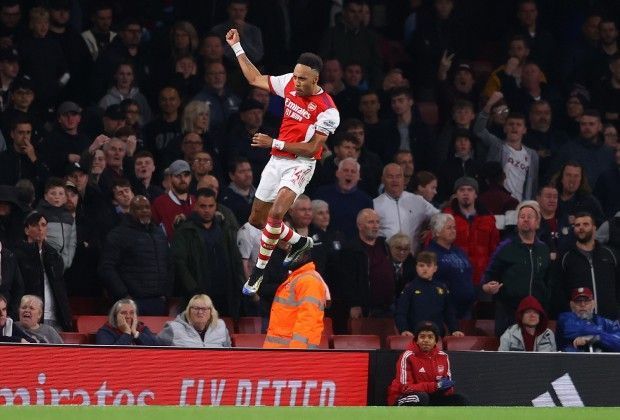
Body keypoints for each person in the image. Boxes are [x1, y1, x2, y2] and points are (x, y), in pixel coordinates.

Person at [225, 28, 340, 295]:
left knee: (277, 214)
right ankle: (299, 241)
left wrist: (273, 142)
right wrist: (237, 47)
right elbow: (254, 78)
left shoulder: (328, 110)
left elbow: (312, 149)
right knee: (257, 220)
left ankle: (257, 274)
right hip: (277, 160)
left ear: (316, 79)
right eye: (296, 76)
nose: (297, 82)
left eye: (303, 79)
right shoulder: (289, 82)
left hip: (300, 164)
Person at [481, 200, 551, 336]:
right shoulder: (505, 247)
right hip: (509, 312)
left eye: (529, 217)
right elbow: (488, 276)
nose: (525, 220)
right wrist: (487, 287)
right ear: (517, 222)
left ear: (537, 222)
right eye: (522, 216)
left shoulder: (544, 249)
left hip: (536, 312)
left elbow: (548, 280)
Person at [171, 188, 244, 317]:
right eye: (203, 206)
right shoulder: (185, 231)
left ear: (216, 206)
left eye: (211, 206)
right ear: (195, 206)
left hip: (225, 295)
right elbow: (180, 264)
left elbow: (235, 260)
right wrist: (193, 289)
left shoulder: (224, 228)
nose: (207, 210)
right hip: (197, 296)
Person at [98, 196, 173, 316]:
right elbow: (106, 268)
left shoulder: (159, 233)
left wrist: (166, 294)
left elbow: (169, 264)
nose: (144, 211)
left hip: (158, 302)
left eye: (147, 207)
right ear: (131, 211)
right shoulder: (118, 234)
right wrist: (124, 295)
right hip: (131, 303)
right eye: (139, 208)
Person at [474, 91, 539, 200]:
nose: (514, 127)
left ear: (524, 130)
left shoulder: (532, 154)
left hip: (519, 206)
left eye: (518, 125)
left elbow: (533, 184)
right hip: (496, 201)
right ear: (504, 128)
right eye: (511, 124)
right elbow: (478, 130)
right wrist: (489, 105)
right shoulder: (497, 145)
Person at [554, 212, 619, 320]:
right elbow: (559, 292)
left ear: (594, 228)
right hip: (578, 324)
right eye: (577, 225)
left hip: (609, 323)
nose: (581, 228)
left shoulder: (610, 254)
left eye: (585, 224)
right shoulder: (565, 257)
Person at [14, 211, 72, 332]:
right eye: (35, 225)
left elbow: (61, 289)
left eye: (43, 225)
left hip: (54, 317)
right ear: (26, 230)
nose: (40, 228)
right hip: (29, 319)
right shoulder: (17, 255)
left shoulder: (54, 256)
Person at [387, 321, 468, 406]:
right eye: (422, 337)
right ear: (417, 340)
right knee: (422, 397)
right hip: (402, 397)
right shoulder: (408, 356)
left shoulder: (443, 357)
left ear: (435, 341)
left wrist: (446, 387)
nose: (426, 340)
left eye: (430, 337)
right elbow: (405, 388)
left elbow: (448, 388)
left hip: (431, 396)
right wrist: (435, 386)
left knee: (461, 400)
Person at [263, 249, 329, 349]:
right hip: (280, 353)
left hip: (292, 353)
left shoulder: (308, 281)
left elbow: (307, 320)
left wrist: (297, 353)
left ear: (305, 256)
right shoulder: (296, 279)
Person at [443, 177, 500, 286]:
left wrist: (491, 274)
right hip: (454, 277)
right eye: (462, 190)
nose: (466, 193)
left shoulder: (488, 219)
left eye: (470, 190)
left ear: (476, 194)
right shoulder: (446, 218)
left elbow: (494, 249)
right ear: (456, 194)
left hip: (482, 278)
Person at [374, 163, 438, 254]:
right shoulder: (375, 204)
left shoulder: (417, 201)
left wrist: (431, 231)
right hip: (386, 259)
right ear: (383, 180)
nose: (394, 180)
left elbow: (441, 217)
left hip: (412, 259)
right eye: (390, 176)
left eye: (398, 176)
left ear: (404, 179)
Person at [395, 251, 463, 338]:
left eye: (429, 266)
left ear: (435, 268)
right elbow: (401, 312)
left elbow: (449, 312)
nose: (425, 269)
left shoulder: (442, 288)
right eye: (421, 265)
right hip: (414, 336)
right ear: (416, 267)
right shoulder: (410, 288)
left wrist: (454, 329)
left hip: (437, 336)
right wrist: (403, 329)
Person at [425, 213, 475, 320]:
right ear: (437, 232)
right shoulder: (430, 254)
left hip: (466, 309)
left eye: (454, 227)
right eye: (449, 228)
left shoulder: (460, 252)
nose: (453, 230)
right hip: (442, 310)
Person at [556, 287, 620, 352]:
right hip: (571, 360)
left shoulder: (604, 322)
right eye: (578, 301)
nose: (582, 304)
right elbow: (582, 330)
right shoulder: (565, 318)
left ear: (593, 304)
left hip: (601, 361)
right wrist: (604, 335)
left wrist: (597, 338)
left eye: (586, 301)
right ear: (572, 305)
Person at [158, 294, 231, 348]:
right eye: (196, 308)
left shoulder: (220, 327)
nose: (200, 312)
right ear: (188, 311)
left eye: (204, 309)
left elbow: (229, 354)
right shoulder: (173, 328)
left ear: (211, 312)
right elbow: (156, 348)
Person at [151, 160, 195, 239]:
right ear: (170, 178)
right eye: (178, 176)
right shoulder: (159, 203)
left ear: (191, 177)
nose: (183, 179)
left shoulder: (197, 201)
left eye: (186, 175)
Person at [96, 298, 160, 345]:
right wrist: (127, 333)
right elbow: (110, 354)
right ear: (115, 316)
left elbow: (156, 347)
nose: (128, 316)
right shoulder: (105, 331)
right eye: (124, 313)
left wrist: (135, 333)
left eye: (132, 313)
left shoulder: (142, 329)